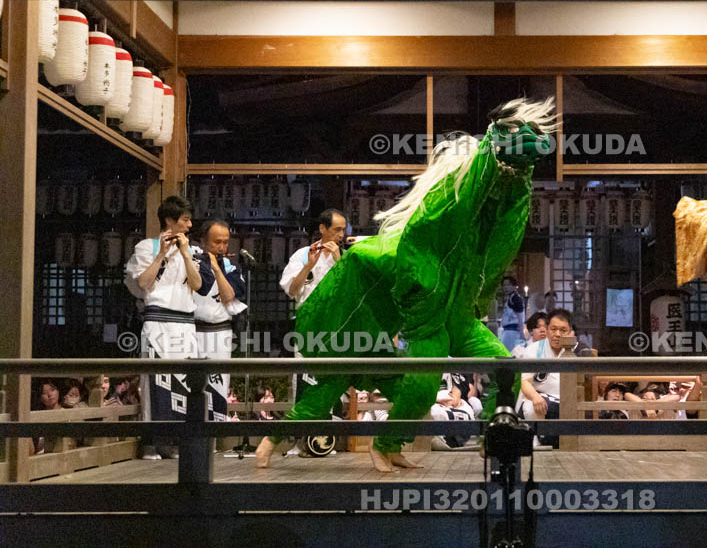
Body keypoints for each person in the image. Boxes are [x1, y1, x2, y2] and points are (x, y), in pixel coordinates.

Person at [255, 98, 557, 473]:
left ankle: (484, 438)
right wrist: (492, 148)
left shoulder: (468, 232)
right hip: (401, 318)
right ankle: (343, 444)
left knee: (502, 368)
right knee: (395, 389)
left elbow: (507, 220)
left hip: (442, 316)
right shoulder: (441, 210)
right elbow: (464, 197)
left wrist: (518, 172)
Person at [124, 195, 202, 460]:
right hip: (157, 320)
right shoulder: (147, 246)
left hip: (184, 322)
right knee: (156, 380)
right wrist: (162, 254)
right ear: (169, 220)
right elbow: (144, 283)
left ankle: (175, 441)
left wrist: (185, 253)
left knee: (182, 380)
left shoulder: (190, 248)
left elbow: (197, 284)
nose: (190, 225)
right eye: (185, 220)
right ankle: (152, 441)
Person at [279, 209, 348, 425]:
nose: (341, 235)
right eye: (337, 229)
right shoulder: (302, 254)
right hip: (308, 322)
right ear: (322, 229)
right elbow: (291, 290)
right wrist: (309, 265)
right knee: (304, 375)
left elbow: (351, 291)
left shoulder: (346, 257)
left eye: (343, 230)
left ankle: (328, 436)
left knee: (332, 375)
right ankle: (301, 431)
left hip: (336, 324)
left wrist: (339, 260)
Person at [194, 219, 247, 422]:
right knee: (193, 384)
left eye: (226, 242)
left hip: (220, 332)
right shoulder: (193, 262)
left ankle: (215, 433)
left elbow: (228, 296)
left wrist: (216, 268)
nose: (222, 247)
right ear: (203, 242)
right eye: (217, 242)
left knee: (218, 382)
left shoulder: (231, 266)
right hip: (193, 330)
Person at [518, 309, 588, 445]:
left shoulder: (575, 352)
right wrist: (535, 397)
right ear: (547, 329)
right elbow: (525, 382)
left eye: (563, 330)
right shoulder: (534, 350)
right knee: (534, 407)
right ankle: (536, 442)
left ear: (570, 332)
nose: (557, 334)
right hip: (537, 400)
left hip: (565, 403)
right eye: (553, 329)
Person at [500, 276, 526, 352]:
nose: (506, 287)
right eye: (504, 285)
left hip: (512, 332)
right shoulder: (510, 297)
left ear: (514, 286)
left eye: (508, 285)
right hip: (508, 331)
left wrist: (521, 333)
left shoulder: (515, 298)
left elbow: (520, 316)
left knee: (508, 354)